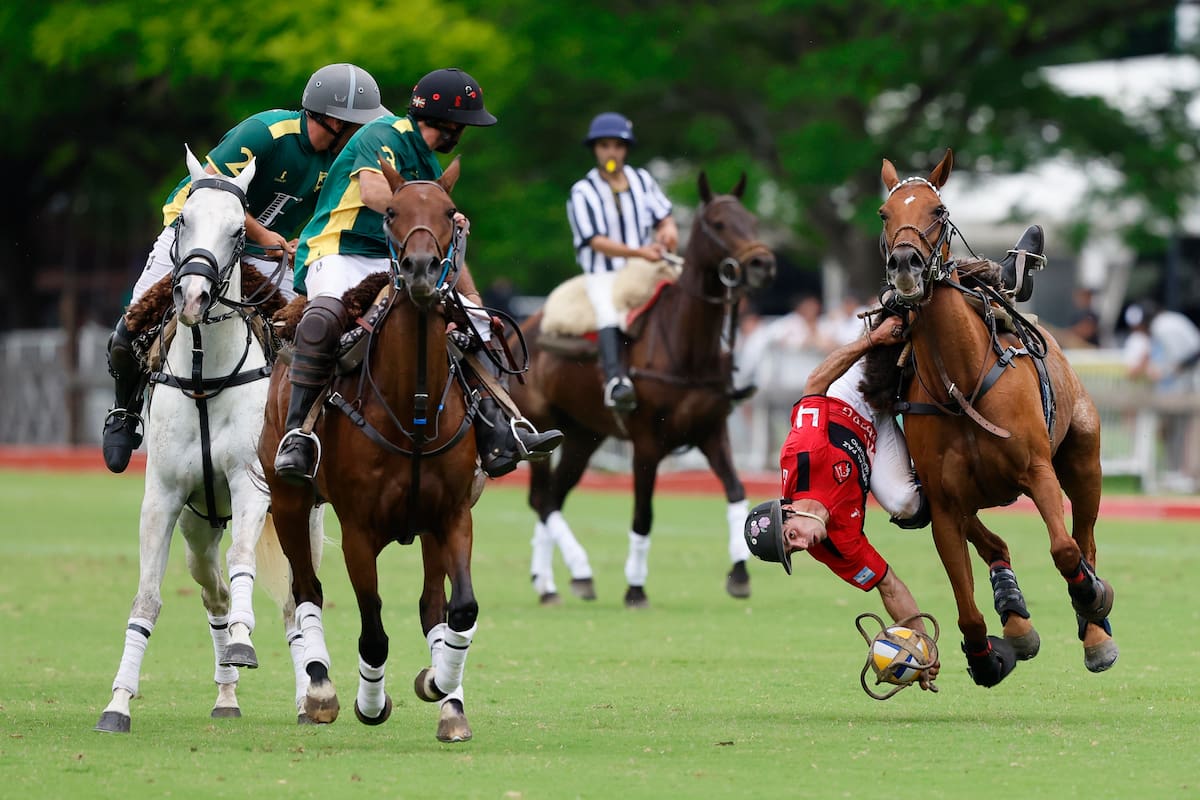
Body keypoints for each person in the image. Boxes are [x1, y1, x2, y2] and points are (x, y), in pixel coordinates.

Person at [273, 67, 562, 484]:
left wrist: (473, 298)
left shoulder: (428, 165)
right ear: (449, 125)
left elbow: (439, 244)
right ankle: (297, 434)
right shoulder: (383, 133)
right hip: (337, 249)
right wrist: (426, 208)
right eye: (462, 127)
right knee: (322, 318)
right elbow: (373, 191)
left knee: (474, 323)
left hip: (396, 261)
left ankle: (500, 426)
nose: (461, 135)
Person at [101, 63, 389, 473]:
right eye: (357, 125)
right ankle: (124, 411)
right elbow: (212, 188)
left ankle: (294, 429)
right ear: (332, 118)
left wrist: (291, 243)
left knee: (306, 332)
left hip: (263, 253)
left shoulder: (340, 161)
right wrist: (265, 233)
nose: (362, 133)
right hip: (197, 232)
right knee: (133, 326)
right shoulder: (267, 132)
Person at [742, 314, 941, 691]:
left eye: (790, 536)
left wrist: (871, 339)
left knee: (898, 329)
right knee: (905, 504)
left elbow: (815, 382)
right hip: (873, 436)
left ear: (787, 510)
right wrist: (922, 645)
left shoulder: (803, 454)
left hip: (847, 395)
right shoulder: (833, 550)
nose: (802, 545)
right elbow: (889, 585)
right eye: (792, 551)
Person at [566, 112, 678, 412]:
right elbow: (595, 240)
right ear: (595, 149)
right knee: (607, 311)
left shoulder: (642, 180)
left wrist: (668, 229)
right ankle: (615, 381)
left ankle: (714, 370)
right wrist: (640, 252)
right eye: (604, 145)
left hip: (648, 266)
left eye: (617, 145)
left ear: (626, 149)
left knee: (693, 291)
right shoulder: (583, 191)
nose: (611, 152)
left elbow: (663, 215)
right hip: (605, 272)